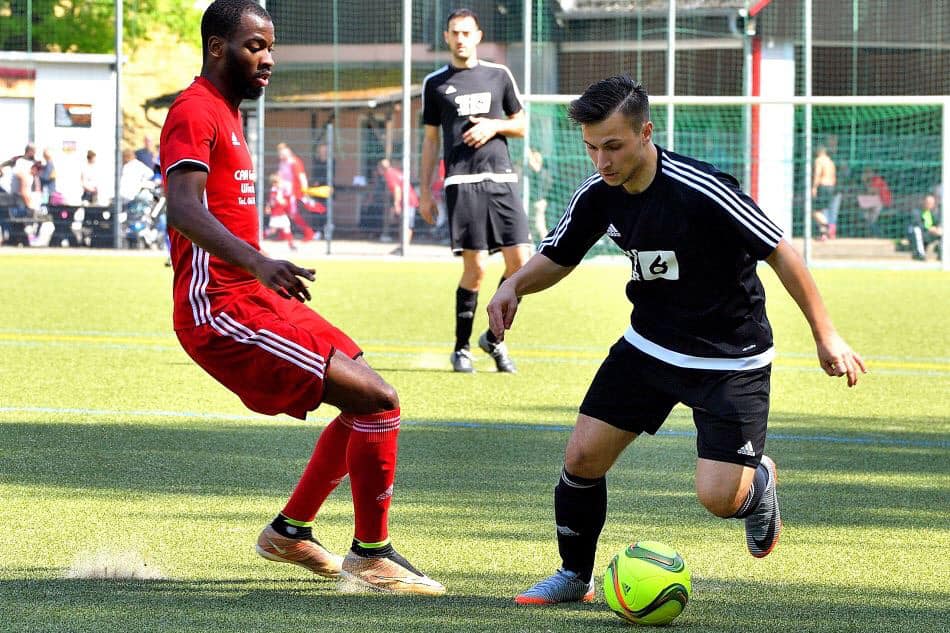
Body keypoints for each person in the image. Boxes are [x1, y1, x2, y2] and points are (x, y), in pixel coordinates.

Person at [486, 76, 867, 605]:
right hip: (650, 346)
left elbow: (781, 251)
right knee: (581, 459)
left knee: (716, 498)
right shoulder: (600, 194)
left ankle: (756, 485)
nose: (602, 161)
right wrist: (513, 286)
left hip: (731, 358)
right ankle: (575, 576)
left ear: (646, 132)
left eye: (613, 146)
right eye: (592, 148)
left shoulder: (703, 189)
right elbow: (559, 254)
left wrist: (826, 335)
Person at [159, 0, 444, 596]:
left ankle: (291, 531)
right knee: (378, 400)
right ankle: (371, 556)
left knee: (365, 389)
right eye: (254, 46)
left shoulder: (228, 114)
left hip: (253, 296)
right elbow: (184, 208)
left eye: (270, 47)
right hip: (219, 309)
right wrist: (259, 261)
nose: (268, 59)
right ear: (217, 48)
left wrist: (259, 271)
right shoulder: (194, 109)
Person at [419, 7, 530, 374]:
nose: (461, 38)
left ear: (478, 36)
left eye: (467, 32)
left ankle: (494, 340)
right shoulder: (435, 83)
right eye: (455, 33)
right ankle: (462, 347)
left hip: (501, 179)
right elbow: (431, 140)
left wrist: (492, 126)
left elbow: (521, 124)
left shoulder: (499, 76)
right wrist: (424, 192)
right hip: (461, 182)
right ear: (447, 38)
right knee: (477, 268)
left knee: (521, 264)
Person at [276, 142, 315, 241]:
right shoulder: (282, 163)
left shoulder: (294, 162)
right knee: (281, 211)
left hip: (292, 192)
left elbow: (302, 177)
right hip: (283, 191)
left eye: (282, 153)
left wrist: (305, 191)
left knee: (293, 214)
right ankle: (283, 235)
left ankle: (309, 233)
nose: (280, 155)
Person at [377, 158, 418, 250]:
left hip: (408, 201)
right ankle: (403, 245)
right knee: (405, 223)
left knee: (407, 224)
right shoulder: (395, 171)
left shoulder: (389, 174)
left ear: (381, 168)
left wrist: (396, 204)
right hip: (409, 199)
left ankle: (405, 247)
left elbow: (397, 189)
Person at [811, 145, 839, 240]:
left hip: (822, 185)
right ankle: (824, 234)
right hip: (831, 186)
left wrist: (814, 187)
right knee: (824, 210)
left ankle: (826, 227)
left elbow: (817, 174)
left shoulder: (819, 160)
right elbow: (834, 176)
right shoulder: (830, 162)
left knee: (815, 211)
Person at [265, 172, 296, 250]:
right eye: (279, 181)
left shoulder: (278, 190)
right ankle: (259, 237)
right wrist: (279, 202)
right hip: (277, 214)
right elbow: (273, 202)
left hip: (281, 213)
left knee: (286, 227)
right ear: (274, 183)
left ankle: (291, 244)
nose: (281, 183)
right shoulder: (274, 191)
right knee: (272, 230)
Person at [857, 167, 892, 234]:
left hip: (883, 202)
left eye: (867, 172)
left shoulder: (876, 179)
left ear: (872, 173)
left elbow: (872, 192)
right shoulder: (871, 180)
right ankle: (872, 228)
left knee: (866, 213)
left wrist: (864, 182)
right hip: (876, 202)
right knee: (864, 211)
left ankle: (875, 229)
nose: (865, 174)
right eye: (865, 172)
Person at [907, 193, 942, 261]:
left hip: (930, 235)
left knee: (943, 231)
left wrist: (938, 228)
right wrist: (929, 228)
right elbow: (917, 224)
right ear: (924, 202)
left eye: (932, 203)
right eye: (928, 202)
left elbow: (937, 223)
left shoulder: (934, 213)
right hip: (918, 235)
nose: (930, 204)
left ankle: (942, 253)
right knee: (916, 230)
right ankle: (920, 254)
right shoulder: (916, 211)